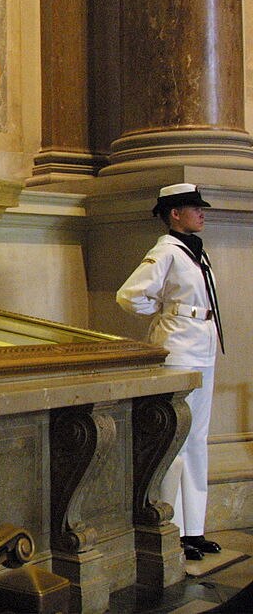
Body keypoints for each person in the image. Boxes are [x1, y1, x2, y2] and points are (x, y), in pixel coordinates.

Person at [116, 183, 223, 562]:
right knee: (177, 437)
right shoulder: (165, 251)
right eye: (193, 207)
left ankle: (194, 529)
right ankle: (172, 528)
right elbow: (129, 295)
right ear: (174, 214)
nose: (201, 212)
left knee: (198, 438)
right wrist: (165, 315)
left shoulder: (196, 251)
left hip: (204, 347)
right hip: (180, 348)